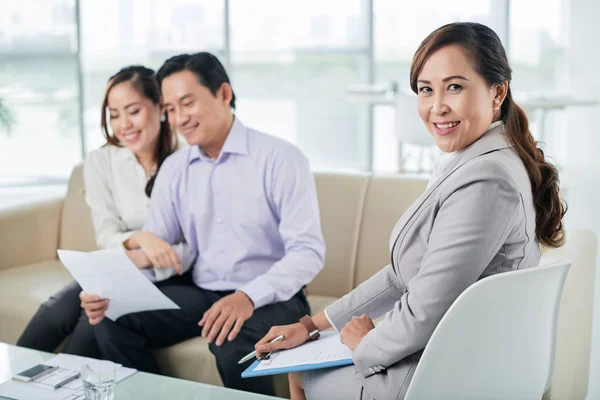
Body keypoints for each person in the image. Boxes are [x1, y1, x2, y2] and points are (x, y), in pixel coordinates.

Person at [254, 22, 567, 400]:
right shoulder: (478, 161)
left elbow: (424, 313)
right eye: (425, 90)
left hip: (437, 375)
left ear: (497, 91)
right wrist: (313, 325)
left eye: (455, 86)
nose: (437, 107)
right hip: (454, 358)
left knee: (302, 374)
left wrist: (366, 343)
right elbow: (404, 276)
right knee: (304, 361)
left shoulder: (486, 180)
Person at [92, 52, 326, 396]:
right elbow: (160, 247)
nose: (178, 118)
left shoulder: (281, 158)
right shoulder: (175, 169)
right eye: (170, 109)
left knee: (232, 341)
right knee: (112, 318)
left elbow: (308, 253)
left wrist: (247, 296)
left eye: (187, 103)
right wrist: (117, 290)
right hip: (203, 292)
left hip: (273, 296)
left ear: (224, 94)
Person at [16, 65, 192, 358]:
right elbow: (106, 235)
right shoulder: (101, 161)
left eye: (133, 111)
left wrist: (143, 257)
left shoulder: (187, 159)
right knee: (57, 309)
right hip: (122, 265)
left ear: (160, 107)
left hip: (175, 278)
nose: (123, 124)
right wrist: (141, 240)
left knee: (94, 319)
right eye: (113, 115)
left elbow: (195, 245)